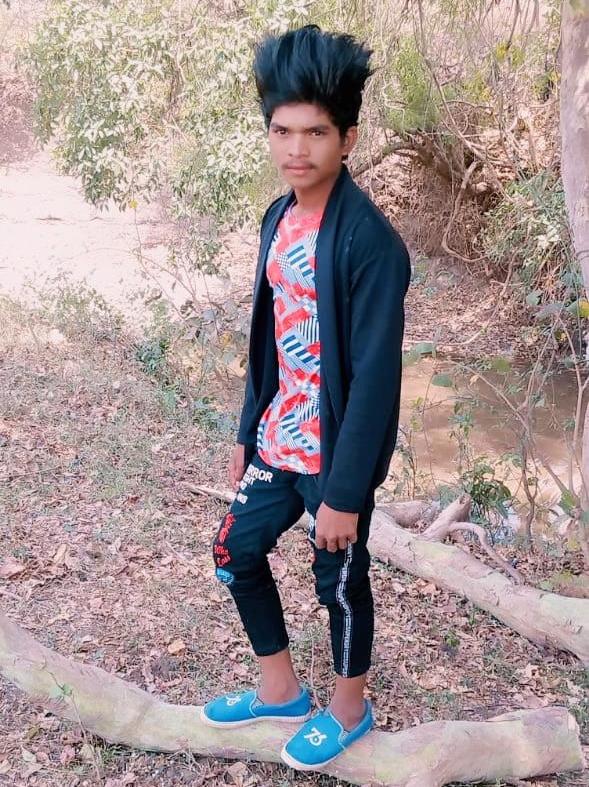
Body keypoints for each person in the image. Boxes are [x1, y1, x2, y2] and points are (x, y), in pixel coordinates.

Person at [200, 24, 411, 771]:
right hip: (278, 435)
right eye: (282, 131)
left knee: (339, 582)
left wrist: (346, 494)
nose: (297, 148)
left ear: (347, 138)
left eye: (315, 132)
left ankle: (349, 707)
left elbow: (377, 379)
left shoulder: (370, 243)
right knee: (234, 550)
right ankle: (281, 690)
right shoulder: (278, 217)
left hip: (333, 454)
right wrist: (246, 428)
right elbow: (268, 335)